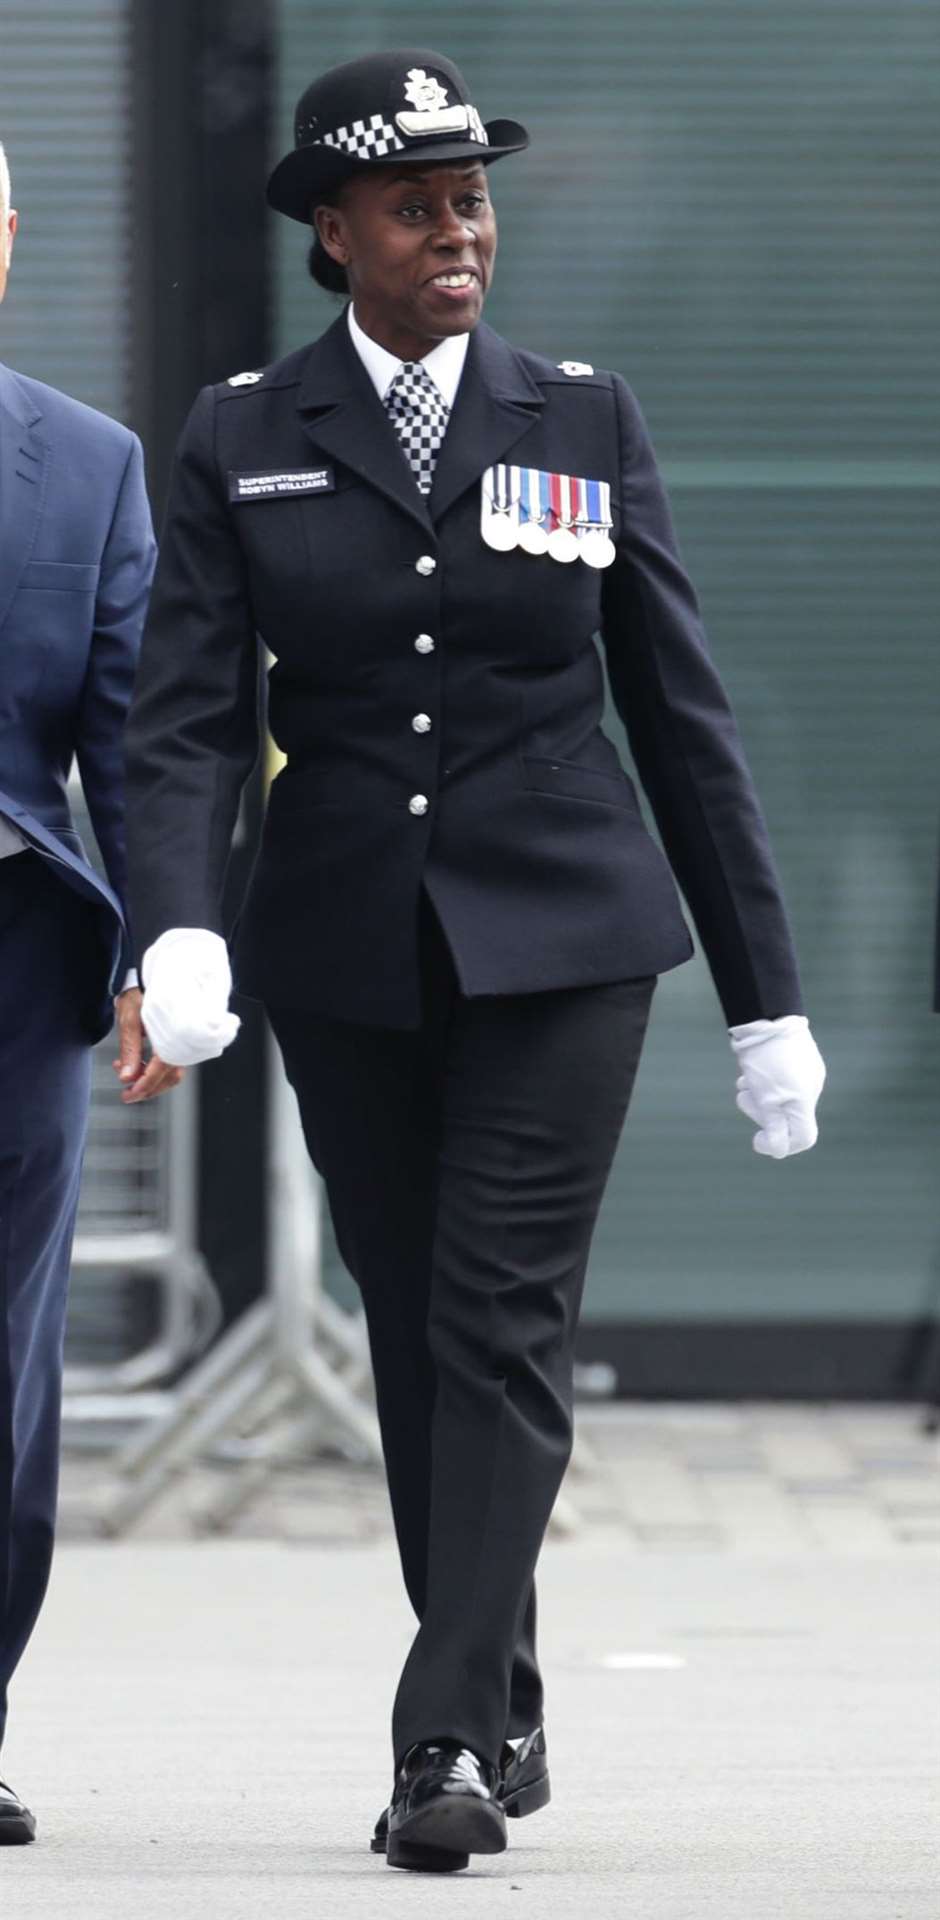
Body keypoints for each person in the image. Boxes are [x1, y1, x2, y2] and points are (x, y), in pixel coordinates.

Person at [123, 49, 826, 1874]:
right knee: (425, 1334)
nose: (459, 232)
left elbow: (680, 715)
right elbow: (192, 714)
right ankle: (502, 1691)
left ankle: (436, 1737)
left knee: (503, 1322)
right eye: (419, 205)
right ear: (333, 232)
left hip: (571, 939)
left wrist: (768, 996)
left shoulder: (581, 415)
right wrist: (176, 916)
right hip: (350, 947)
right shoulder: (241, 435)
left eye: (477, 200)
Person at [0, 140, 165, 1844]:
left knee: (6, 1364)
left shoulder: (88, 464)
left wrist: (153, 946)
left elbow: (130, 737)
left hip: (13, 961)